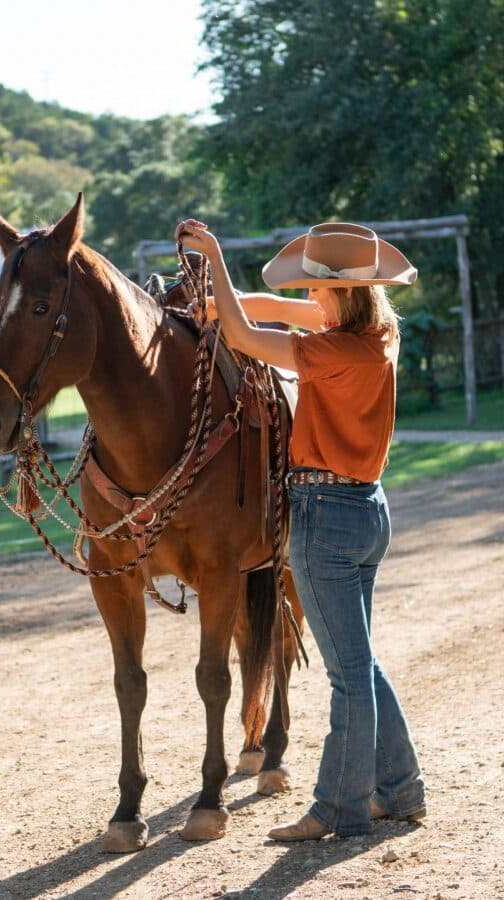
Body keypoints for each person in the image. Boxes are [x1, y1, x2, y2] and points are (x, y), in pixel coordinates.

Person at [174, 219, 427, 841]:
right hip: (367, 511)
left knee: (348, 677)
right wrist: (220, 301)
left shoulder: (329, 353)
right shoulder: (377, 334)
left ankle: (339, 807)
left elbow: (244, 336)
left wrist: (215, 259)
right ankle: (400, 790)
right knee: (361, 664)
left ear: (342, 293)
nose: (308, 298)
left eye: (316, 289)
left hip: (324, 517)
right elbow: (270, 309)